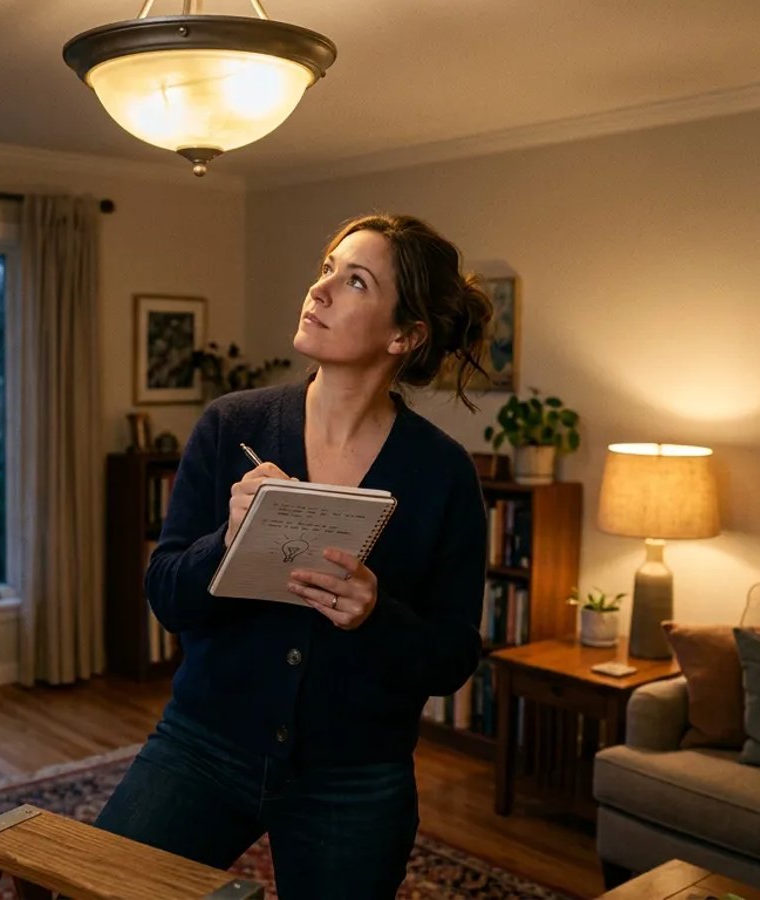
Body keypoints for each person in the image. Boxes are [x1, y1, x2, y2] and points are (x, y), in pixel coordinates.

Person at [94, 213, 494, 898]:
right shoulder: (232, 426)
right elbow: (164, 592)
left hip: (357, 776)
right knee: (97, 888)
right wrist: (228, 541)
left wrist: (376, 615)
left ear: (406, 334)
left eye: (356, 280)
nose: (321, 288)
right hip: (203, 745)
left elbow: (453, 659)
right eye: (327, 267)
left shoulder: (444, 473)